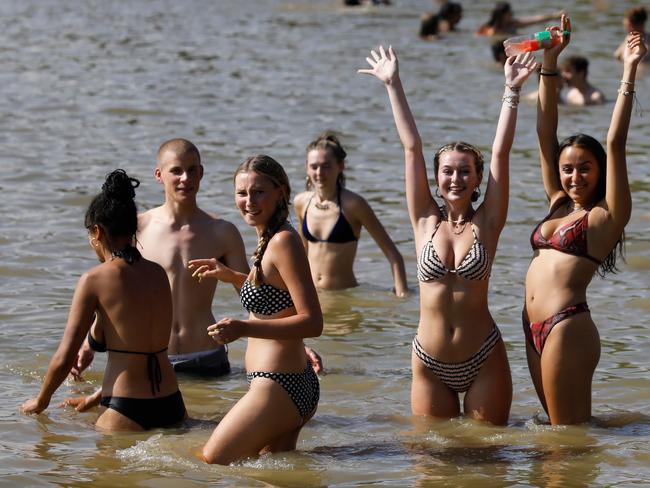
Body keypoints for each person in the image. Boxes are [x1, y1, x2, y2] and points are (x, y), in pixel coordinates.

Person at [67, 140, 321, 409]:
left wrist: (294, 343)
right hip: (155, 360)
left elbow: (258, 297)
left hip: (207, 359)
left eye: (192, 170)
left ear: (201, 173)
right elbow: (116, 293)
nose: (185, 178)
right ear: (159, 175)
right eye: (176, 171)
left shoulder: (222, 231)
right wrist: (89, 345)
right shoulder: (138, 228)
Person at [359, 46, 538, 423]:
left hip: (483, 356)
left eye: (464, 172)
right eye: (447, 172)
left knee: (487, 463)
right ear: (437, 178)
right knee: (431, 466)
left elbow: (501, 152)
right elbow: (411, 147)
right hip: (429, 360)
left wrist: (512, 91)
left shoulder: (488, 222)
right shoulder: (424, 221)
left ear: (476, 179)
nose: (455, 179)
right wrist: (392, 84)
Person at [525, 17, 646, 425]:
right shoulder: (559, 204)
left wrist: (629, 70)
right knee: (557, 437)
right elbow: (545, 131)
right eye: (568, 169)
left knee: (565, 441)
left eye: (585, 168)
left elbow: (615, 142)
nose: (574, 177)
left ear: (601, 170)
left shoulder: (608, 216)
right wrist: (550, 61)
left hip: (566, 327)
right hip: (532, 326)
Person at [21, 170, 186, 431]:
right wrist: (95, 397)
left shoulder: (94, 279)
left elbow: (65, 357)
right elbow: (142, 347)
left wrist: (40, 402)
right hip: (172, 404)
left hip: (127, 407)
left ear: (97, 232)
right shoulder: (158, 273)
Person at [189, 155, 322, 464]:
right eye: (242, 193)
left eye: (259, 192)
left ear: (281, 192)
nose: (249, 201)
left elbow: (312, 322)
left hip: (278, 387)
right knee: (272, 478)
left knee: (210, 461)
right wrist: (232, 275)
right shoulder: (272, 238)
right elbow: (279, 297)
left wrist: (243, 328)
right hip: (286, 385)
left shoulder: (283, 242)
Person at [294, 131, 408, 295]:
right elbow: (302, 253)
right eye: (314, 166)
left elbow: (393, 255)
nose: (319, 173)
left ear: (341, 167)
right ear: (306, 167)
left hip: (344, 296)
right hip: (313, 295)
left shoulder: (354, 204)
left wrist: (402, 295)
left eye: (326, 166)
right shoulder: (301, 202)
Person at [476, 2, 563, 37]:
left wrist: (554, 16)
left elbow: (535, 20)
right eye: (510, 13)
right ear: (502, 16)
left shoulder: (513, 23)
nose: (512, 15)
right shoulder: (490, 30)